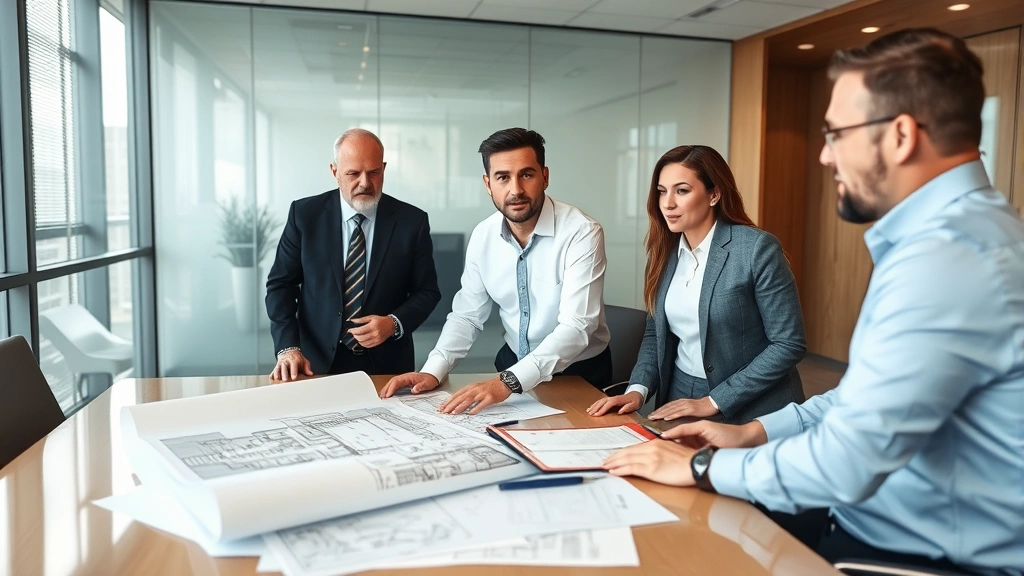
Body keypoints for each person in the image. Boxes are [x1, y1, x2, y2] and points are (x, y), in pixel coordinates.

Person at [603, 28, 1024, 575]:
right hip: (883, 528)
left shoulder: (946, 260)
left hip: (910, 555)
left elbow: (848, 459)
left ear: (899, 135)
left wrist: (703, 465)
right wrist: (752, 432)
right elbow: (861, 397)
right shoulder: (962, 237)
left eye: (837, 133)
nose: (824, 155)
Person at [380, 128, 611, 414]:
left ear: (545, 177)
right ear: (488, 184)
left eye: (527, 174)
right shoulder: (483, 236)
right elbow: (467, 316)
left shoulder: (581, 232)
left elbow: (578, 327)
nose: (516, 190)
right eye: (503, 177)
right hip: (510, 367)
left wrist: (508, 382)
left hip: (578, 373)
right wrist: (432, 371)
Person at [587, 145, 805, 424]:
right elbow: (656, 335)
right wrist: (637, 391)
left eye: (682, 190)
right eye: (662, 191)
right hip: (679, 396)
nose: (667, 203)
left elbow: (788, 344)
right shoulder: (664, 252)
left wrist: (714, 400)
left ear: (714, 194)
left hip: (750, 405)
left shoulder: (755, 249)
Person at [266, 128, 441, 381]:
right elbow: (281, 285)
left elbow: (427, 291)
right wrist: (288, 348)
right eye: (353, 173)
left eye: (374, 173)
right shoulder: (304, 215)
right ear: (335, 172)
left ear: (383, 169)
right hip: (312, 361)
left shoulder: (412, 221)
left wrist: (393, 323)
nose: (365, 183)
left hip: (387, 363)